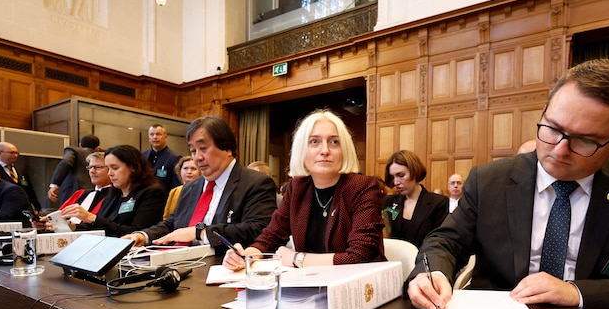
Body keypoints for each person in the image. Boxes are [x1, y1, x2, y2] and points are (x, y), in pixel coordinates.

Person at [407, 58, 609, 309]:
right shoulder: (490, 180)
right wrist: (430, 273)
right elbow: (446, 242)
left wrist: (576, 292)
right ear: (545, 111)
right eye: (552, 128)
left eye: (585, 140)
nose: (559, 150)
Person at [223, 109, 385, 271]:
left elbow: (360, 255)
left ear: (345, 150)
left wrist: (297, 258)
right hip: (311, 285)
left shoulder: (363, 187)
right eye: (314, 142)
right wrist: (247, 255)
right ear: (302, 150)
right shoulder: (297, 188)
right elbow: (271, 236)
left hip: (358, 286)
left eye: (334, 142)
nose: (325, 150)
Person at [125, 116, 277, 253]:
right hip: (177, 262)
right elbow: (172, 225)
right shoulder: (190, 187)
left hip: (221, 267)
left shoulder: (256, 183)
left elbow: (259, 231)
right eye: (192, 151)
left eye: (203, 149)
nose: (197, 157)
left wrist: (200, 232)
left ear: (227, 148)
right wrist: (143, 236)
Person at [61, 145, 166, 237]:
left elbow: (137, 233)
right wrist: (72, 227)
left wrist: (90, 217)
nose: (110, 173)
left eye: (115, 168)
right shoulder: (114, 194)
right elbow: (99, 226)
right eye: (108, 168)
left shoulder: (152, 193)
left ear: (133, 167)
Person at [382, 150, 448, 248]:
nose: (396, 182)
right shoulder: (388, 202)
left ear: (415, 171)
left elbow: (439, 241)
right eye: (392, 177)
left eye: (401, 175)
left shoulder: (438, 203)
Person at [55, 152, 112, 225]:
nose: (92, 171)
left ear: (111, 170)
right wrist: (46, 222)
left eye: (98, 167)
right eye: (90, 167)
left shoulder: (117, 196)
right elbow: (58, 217)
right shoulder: (80, 194)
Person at [48, 134, 100, 205]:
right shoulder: (100, 158)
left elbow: (66, 162)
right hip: (93, 195)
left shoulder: (73, 151)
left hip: (73, 194)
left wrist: (54, 185)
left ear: (80, 145)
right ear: (97, 148)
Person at [0, 141, 41, 214]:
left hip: (24, 211)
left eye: (17, 153)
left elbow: (29, 189)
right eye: (12, 153)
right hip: (5, 210)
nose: (15, 155)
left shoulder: (20, 169)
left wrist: (36, 206)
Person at [143, 124, 182, 192]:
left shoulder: (175, 158)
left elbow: (176, 186)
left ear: (166, 137)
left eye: (158, 134)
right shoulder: (142, 156)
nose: (155, 137)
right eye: (152, 134)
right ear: (149, 138)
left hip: (163, 199)